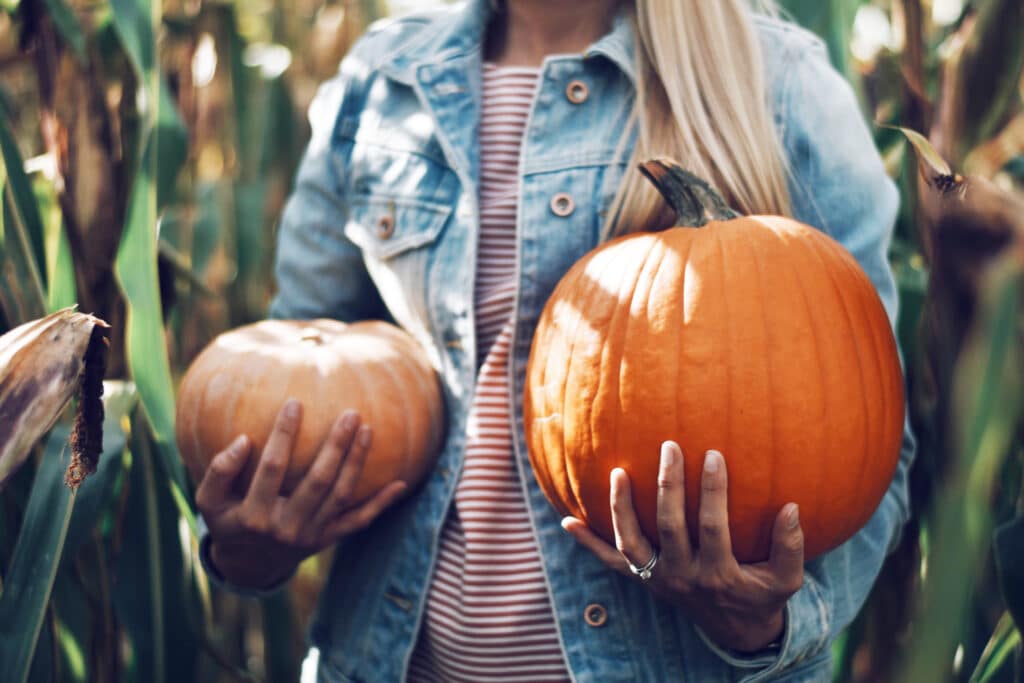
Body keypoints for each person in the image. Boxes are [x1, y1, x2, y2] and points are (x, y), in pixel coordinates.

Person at [194, 0, 916, 680]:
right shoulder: (384, 84)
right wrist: (251, 548)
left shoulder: (776, 84)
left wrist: (761, 624)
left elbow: (868, 430)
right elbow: (294, 371)